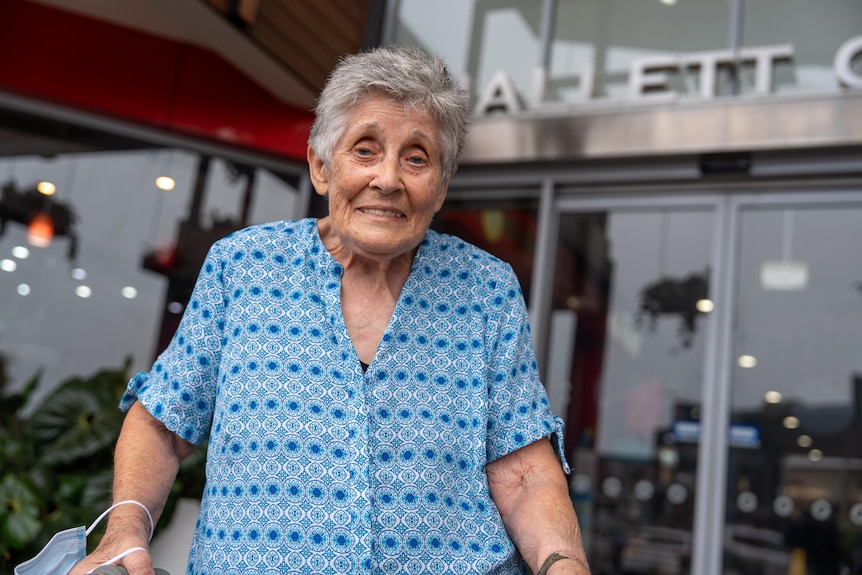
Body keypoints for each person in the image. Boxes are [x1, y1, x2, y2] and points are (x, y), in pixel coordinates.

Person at [71, 46, 590, 575]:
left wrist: (563, 563)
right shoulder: (245, 267)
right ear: (321, 167)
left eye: (417, 158)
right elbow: (163, 420)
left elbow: (523, 468)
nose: (388, 179)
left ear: (440, 187)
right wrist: (125, 532)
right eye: (365, 150)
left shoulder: (486, 290)